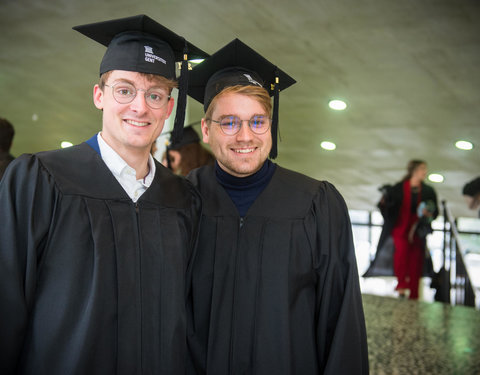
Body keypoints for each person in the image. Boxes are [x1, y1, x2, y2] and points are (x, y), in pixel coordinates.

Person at [0, 14, 208, 374]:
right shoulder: (42, 179)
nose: (140, 107)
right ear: (99, 95)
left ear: (169, 108)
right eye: (124, 90)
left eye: (155, 95)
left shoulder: (184, 201)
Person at [186, 39, 369, 374]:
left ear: (270, 126)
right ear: (206, 130)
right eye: (229, 122)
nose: (245, 136)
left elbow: (341, 320)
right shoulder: (180, 201)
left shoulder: (317, 204)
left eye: (257, 121)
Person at [364, 160, 438, 300]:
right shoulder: (398, 188)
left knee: (416, 259)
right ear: (414, 171)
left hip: (418, 230)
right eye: (422, 168)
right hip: (400, 228)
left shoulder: (428, 191)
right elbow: (386, 206)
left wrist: (429, 214)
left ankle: (414, 293)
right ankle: (402, 286)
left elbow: (435, 211)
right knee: (401, 255)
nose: (425, 172)